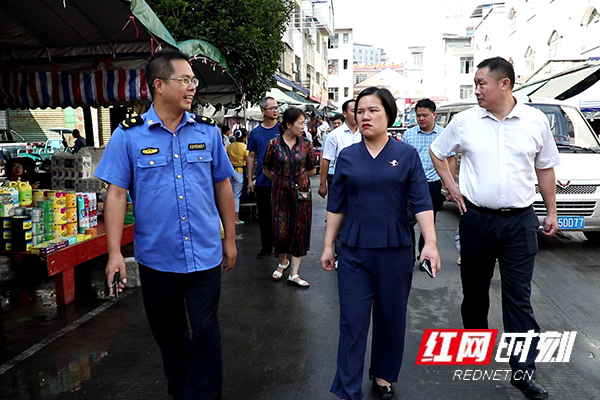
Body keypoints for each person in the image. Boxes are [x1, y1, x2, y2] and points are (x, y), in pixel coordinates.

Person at [94, 48, 237, 400]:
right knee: (170, 334)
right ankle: (180, 391)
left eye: (193, 80)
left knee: (205, 329)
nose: (192, 86)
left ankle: (204, 395)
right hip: (157, 257)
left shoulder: (208, 132)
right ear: (159, 85)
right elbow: (115, 195)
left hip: (204, 253)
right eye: (185, 80)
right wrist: (114, 253)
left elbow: (223, 185)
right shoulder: (128, 136)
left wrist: (230, 239)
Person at [430, 56, 560, 400]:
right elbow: (437, 150)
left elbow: (546, 168)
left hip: (520, 221)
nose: (476, 90)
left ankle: (523, 371)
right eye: (475, 84)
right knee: (475, 293)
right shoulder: (463, 122)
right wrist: (451, 186)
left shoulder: (535, 121)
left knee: (519, 298)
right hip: (477, 220)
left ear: (505, 84)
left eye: (481, 84)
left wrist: (551, 211)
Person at [321, 87, 441, 400]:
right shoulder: (347, 156)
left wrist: (430, 242)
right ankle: (348, 388)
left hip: (395, 248)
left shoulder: (406, 155)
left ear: (389, 115)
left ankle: (384, 375)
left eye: (373, 110)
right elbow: (337, 205)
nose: (365, 116)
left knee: (391, 317)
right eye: (360, 111)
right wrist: (327, 245)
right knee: (353, 321)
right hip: (355, 251)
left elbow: (421, 202)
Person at [263, 106, 317, 288]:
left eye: (304, 123)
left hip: (301, 193)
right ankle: (282, 262)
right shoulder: (274, 144)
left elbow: (312, 169)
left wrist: (298, 180)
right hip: (279, 192)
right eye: (300, 123)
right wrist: (280, 180)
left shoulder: (306, 144)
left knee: (299, 229)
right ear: (288, 125)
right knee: (280, 229)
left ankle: (294, 273)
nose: (303, 126)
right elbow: (266, 168)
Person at [402, 98, 456, 266]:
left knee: (428, 224)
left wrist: (450, 185)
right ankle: (408, 256)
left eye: (425, 115)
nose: (421, 119)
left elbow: (451, 160)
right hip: (411, 185)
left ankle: (424, 256)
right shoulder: (409, 135)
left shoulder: (443, 134)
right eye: (418, 116)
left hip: (432, 184)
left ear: (434, 115)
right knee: (407, 220)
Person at [246, 97, 280, 259]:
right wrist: (249, 180)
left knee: (281, 216)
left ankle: (281, 247)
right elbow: (251, 156)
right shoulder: (255, 133)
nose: (275, 110)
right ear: (263, 111)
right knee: (265, 217)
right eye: (272, 108)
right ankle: (266, 246)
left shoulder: (283, 129)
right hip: (262, 181)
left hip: (282, 181)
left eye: (277, 107)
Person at [318, 99, 360, 198]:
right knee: (337, 209)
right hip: (339, 179)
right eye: (354, 111)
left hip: (359, 180)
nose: (357, 114)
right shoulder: (334, 135)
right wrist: (322, 184)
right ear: (345, 114)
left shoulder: (364, 133)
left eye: (359, 111)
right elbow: (326, 160)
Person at [227, 128, 248, 225]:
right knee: (236, 196)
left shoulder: (230, 146)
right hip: (239, 171)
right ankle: (236, 218)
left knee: (229, 195)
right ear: (244, 138)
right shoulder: (244, 147)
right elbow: (247, 160)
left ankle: (229, 217)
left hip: (230, 171)